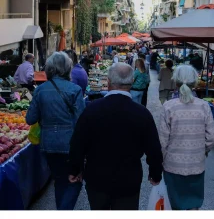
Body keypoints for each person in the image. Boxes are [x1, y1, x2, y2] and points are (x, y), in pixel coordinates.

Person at [68, 63, 163, 210]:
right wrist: (155, 173)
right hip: (129, 179)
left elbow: (78, 143)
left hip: (97, 178)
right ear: (131, 82)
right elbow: (154, 148)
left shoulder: (91, 110)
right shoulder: (142, 113)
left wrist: (75, 169)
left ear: (108, 81)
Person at [26, 52, 85, 210]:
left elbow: (30, 119)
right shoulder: (75, 90)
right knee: (75, 181)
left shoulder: (40, 90)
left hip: (48, 144)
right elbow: (82, 122)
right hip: (69, 144)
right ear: (67, 68)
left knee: (59, 180)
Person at [159, 65, 214, 210]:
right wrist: (201, 151)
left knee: (174, 204)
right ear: (194, 82)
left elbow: (162, 141)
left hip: (172, 166)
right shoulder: (204, 106)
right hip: (196, 165)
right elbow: (212, 138)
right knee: (193, 205)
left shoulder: (168, 106)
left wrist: (162, 159)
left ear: (176, 82)